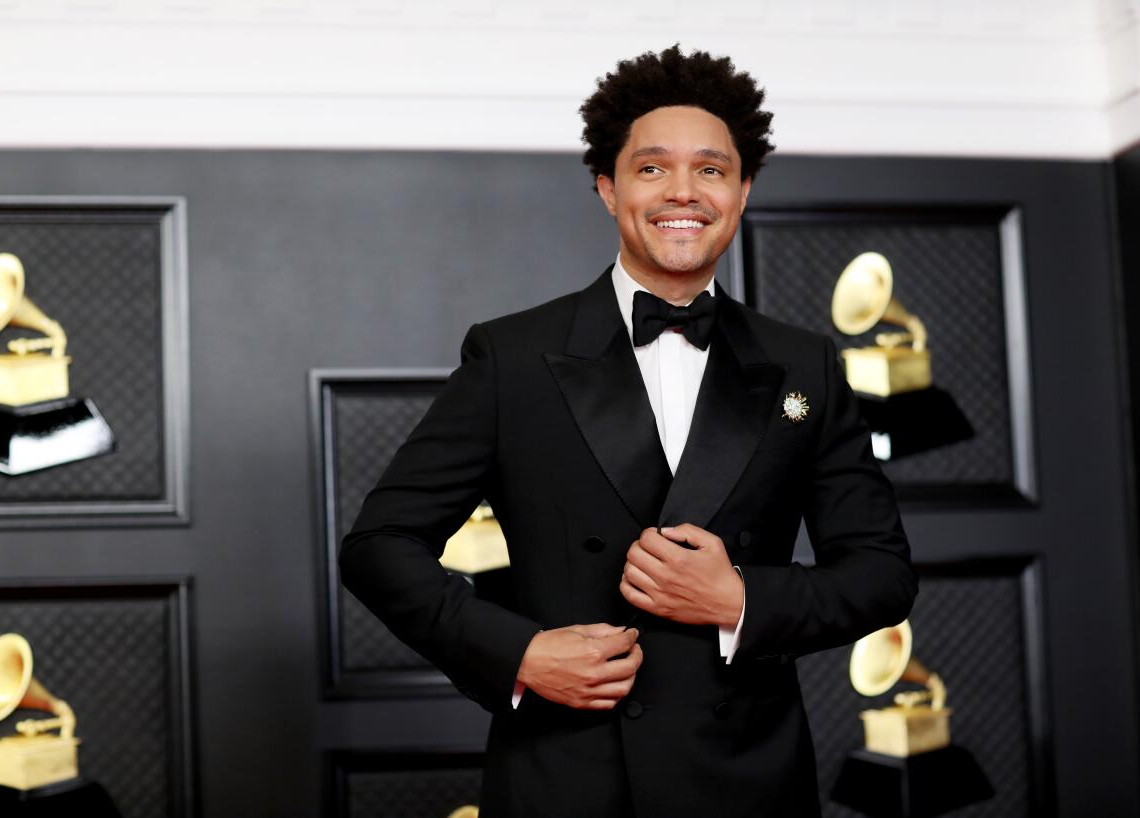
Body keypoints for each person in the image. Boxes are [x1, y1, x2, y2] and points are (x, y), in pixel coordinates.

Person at [341, 45, 917, 818]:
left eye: (711, 170)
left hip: (748, 781)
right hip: (566, 774)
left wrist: (740, 598)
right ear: (608, 188)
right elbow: (378, 546)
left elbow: (882, 573)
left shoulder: (804, 363)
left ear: (742, 190)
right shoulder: (512, 357)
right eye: (652, 169)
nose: (684, 190)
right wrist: (520, 653)